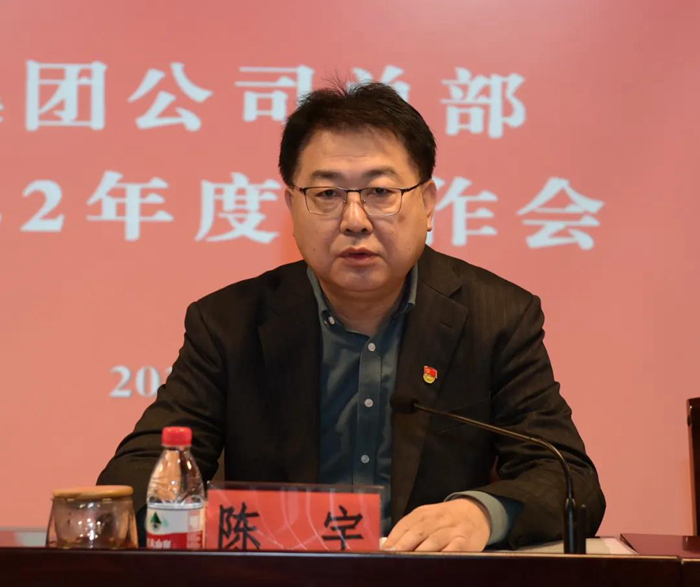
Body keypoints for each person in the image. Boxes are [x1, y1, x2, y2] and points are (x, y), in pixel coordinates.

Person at [98, 82, 605, 552]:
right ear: (292, 206)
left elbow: (571, 482)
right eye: (327, 194)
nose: (355, 220)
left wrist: (480, 515)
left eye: (380, 192)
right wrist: (206, 518)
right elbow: (135, 476)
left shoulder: (496, 318)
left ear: (428, 203)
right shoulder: (229, 324)